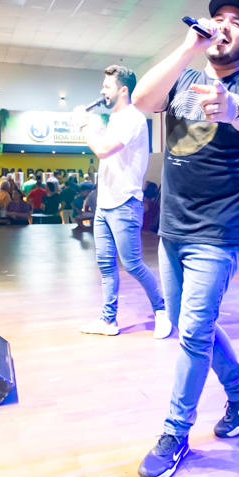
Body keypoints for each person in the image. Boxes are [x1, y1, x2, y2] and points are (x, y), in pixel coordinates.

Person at [131, 0, 239, 477]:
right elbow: (142, 100)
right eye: (218, 17)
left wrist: (231, 105)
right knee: (186, 322)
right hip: (174, 225)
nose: (224, 25)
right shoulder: (186, 77)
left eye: (236, 21)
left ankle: (175, 433)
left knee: (194, 333)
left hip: (219, 228)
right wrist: (187, 48)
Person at [73, 64, 172, 340]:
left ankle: (162, 311)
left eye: (107, 86)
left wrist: (84, 124)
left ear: (123, 90)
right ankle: (108, 320)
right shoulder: (116, 119)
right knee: (106, 265)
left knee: (133, 264)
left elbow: (103, 151)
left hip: (125, 203)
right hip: (105, 205)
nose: (102, 91)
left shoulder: (132, 119)